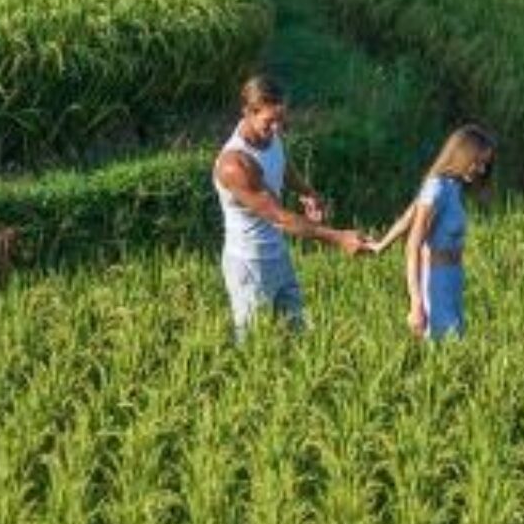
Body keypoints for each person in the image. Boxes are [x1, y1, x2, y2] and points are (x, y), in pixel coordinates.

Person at [212, 73, 369, 336]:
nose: (277, 128)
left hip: (278, 256)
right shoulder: (235, 164)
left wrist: (307, 192)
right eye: (269, 121)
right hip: (250, 265)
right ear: (248, 113)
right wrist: (339, 238)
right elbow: (279, 218)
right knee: (254, 344)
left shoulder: (270, 135)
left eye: (281, 119)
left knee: (299, 332)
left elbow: (283, 166)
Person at [370, 123, 497, 340]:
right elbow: (413, 244)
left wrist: (381, 245)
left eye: (485, 164)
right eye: (478, 162)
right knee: (445, 347)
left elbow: (407, 217)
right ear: (461, 156)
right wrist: (416, 303)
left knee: (454, 343)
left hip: (452, 277)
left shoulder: (451, 186)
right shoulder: (436, 187)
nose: (482, 170)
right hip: (435, 280)